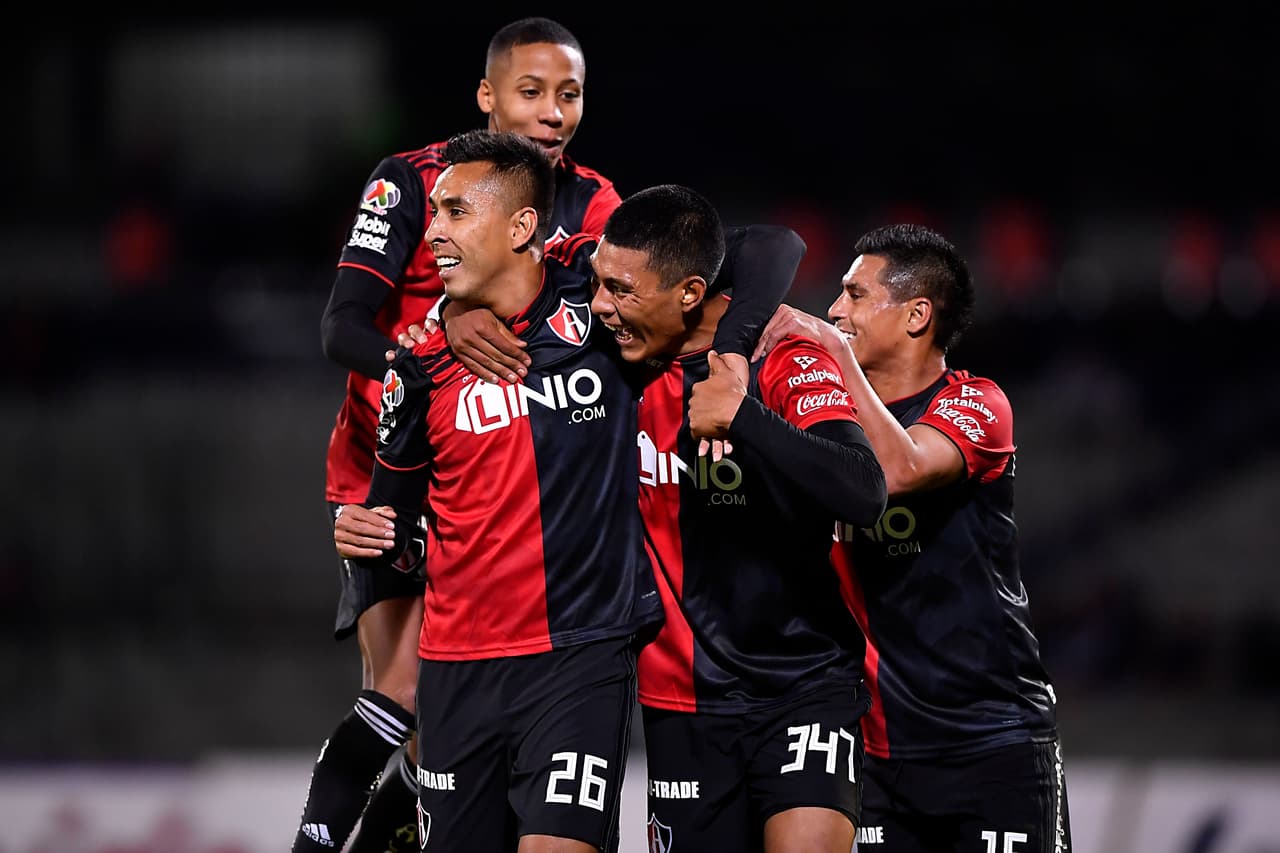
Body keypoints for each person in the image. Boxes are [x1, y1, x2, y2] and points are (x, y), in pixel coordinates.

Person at [331, 131, 792, 853]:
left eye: (454, 211)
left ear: (521, 228)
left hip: (579, 658)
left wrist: (731, 354)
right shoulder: (418, 367)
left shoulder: (595, 295)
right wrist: (370, 533)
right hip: (456, 672)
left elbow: (767, 246)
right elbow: (396, 523)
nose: (434, 229)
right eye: (435, 211)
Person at [299, 17, 621, 853]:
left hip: (507, 472)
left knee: (432, 727)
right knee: (402, 691)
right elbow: (343, 327)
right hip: (388, 468)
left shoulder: (594, 200)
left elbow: (611, 313)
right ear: (486, 95)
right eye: (531, 92)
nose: (553, 113)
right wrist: (436, 345)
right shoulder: (410, 182)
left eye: (570, 95)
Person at [581, 185, 887, 852]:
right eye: (600, 286)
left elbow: (866, 491)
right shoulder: (611, 363)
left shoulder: (782, 358)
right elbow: (769, 244)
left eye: (621, 291)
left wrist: (743, 415)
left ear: (688, 292)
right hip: (681, 703)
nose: (601, 305)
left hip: (805, 686)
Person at [751, 223, 1071, 852]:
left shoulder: (978, 404)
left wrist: (832, 353)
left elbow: (896, 471)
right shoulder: (824, 422)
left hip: (993, 741)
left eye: (856, 294)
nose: (836, 310)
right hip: (876, 753)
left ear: (917, 315)